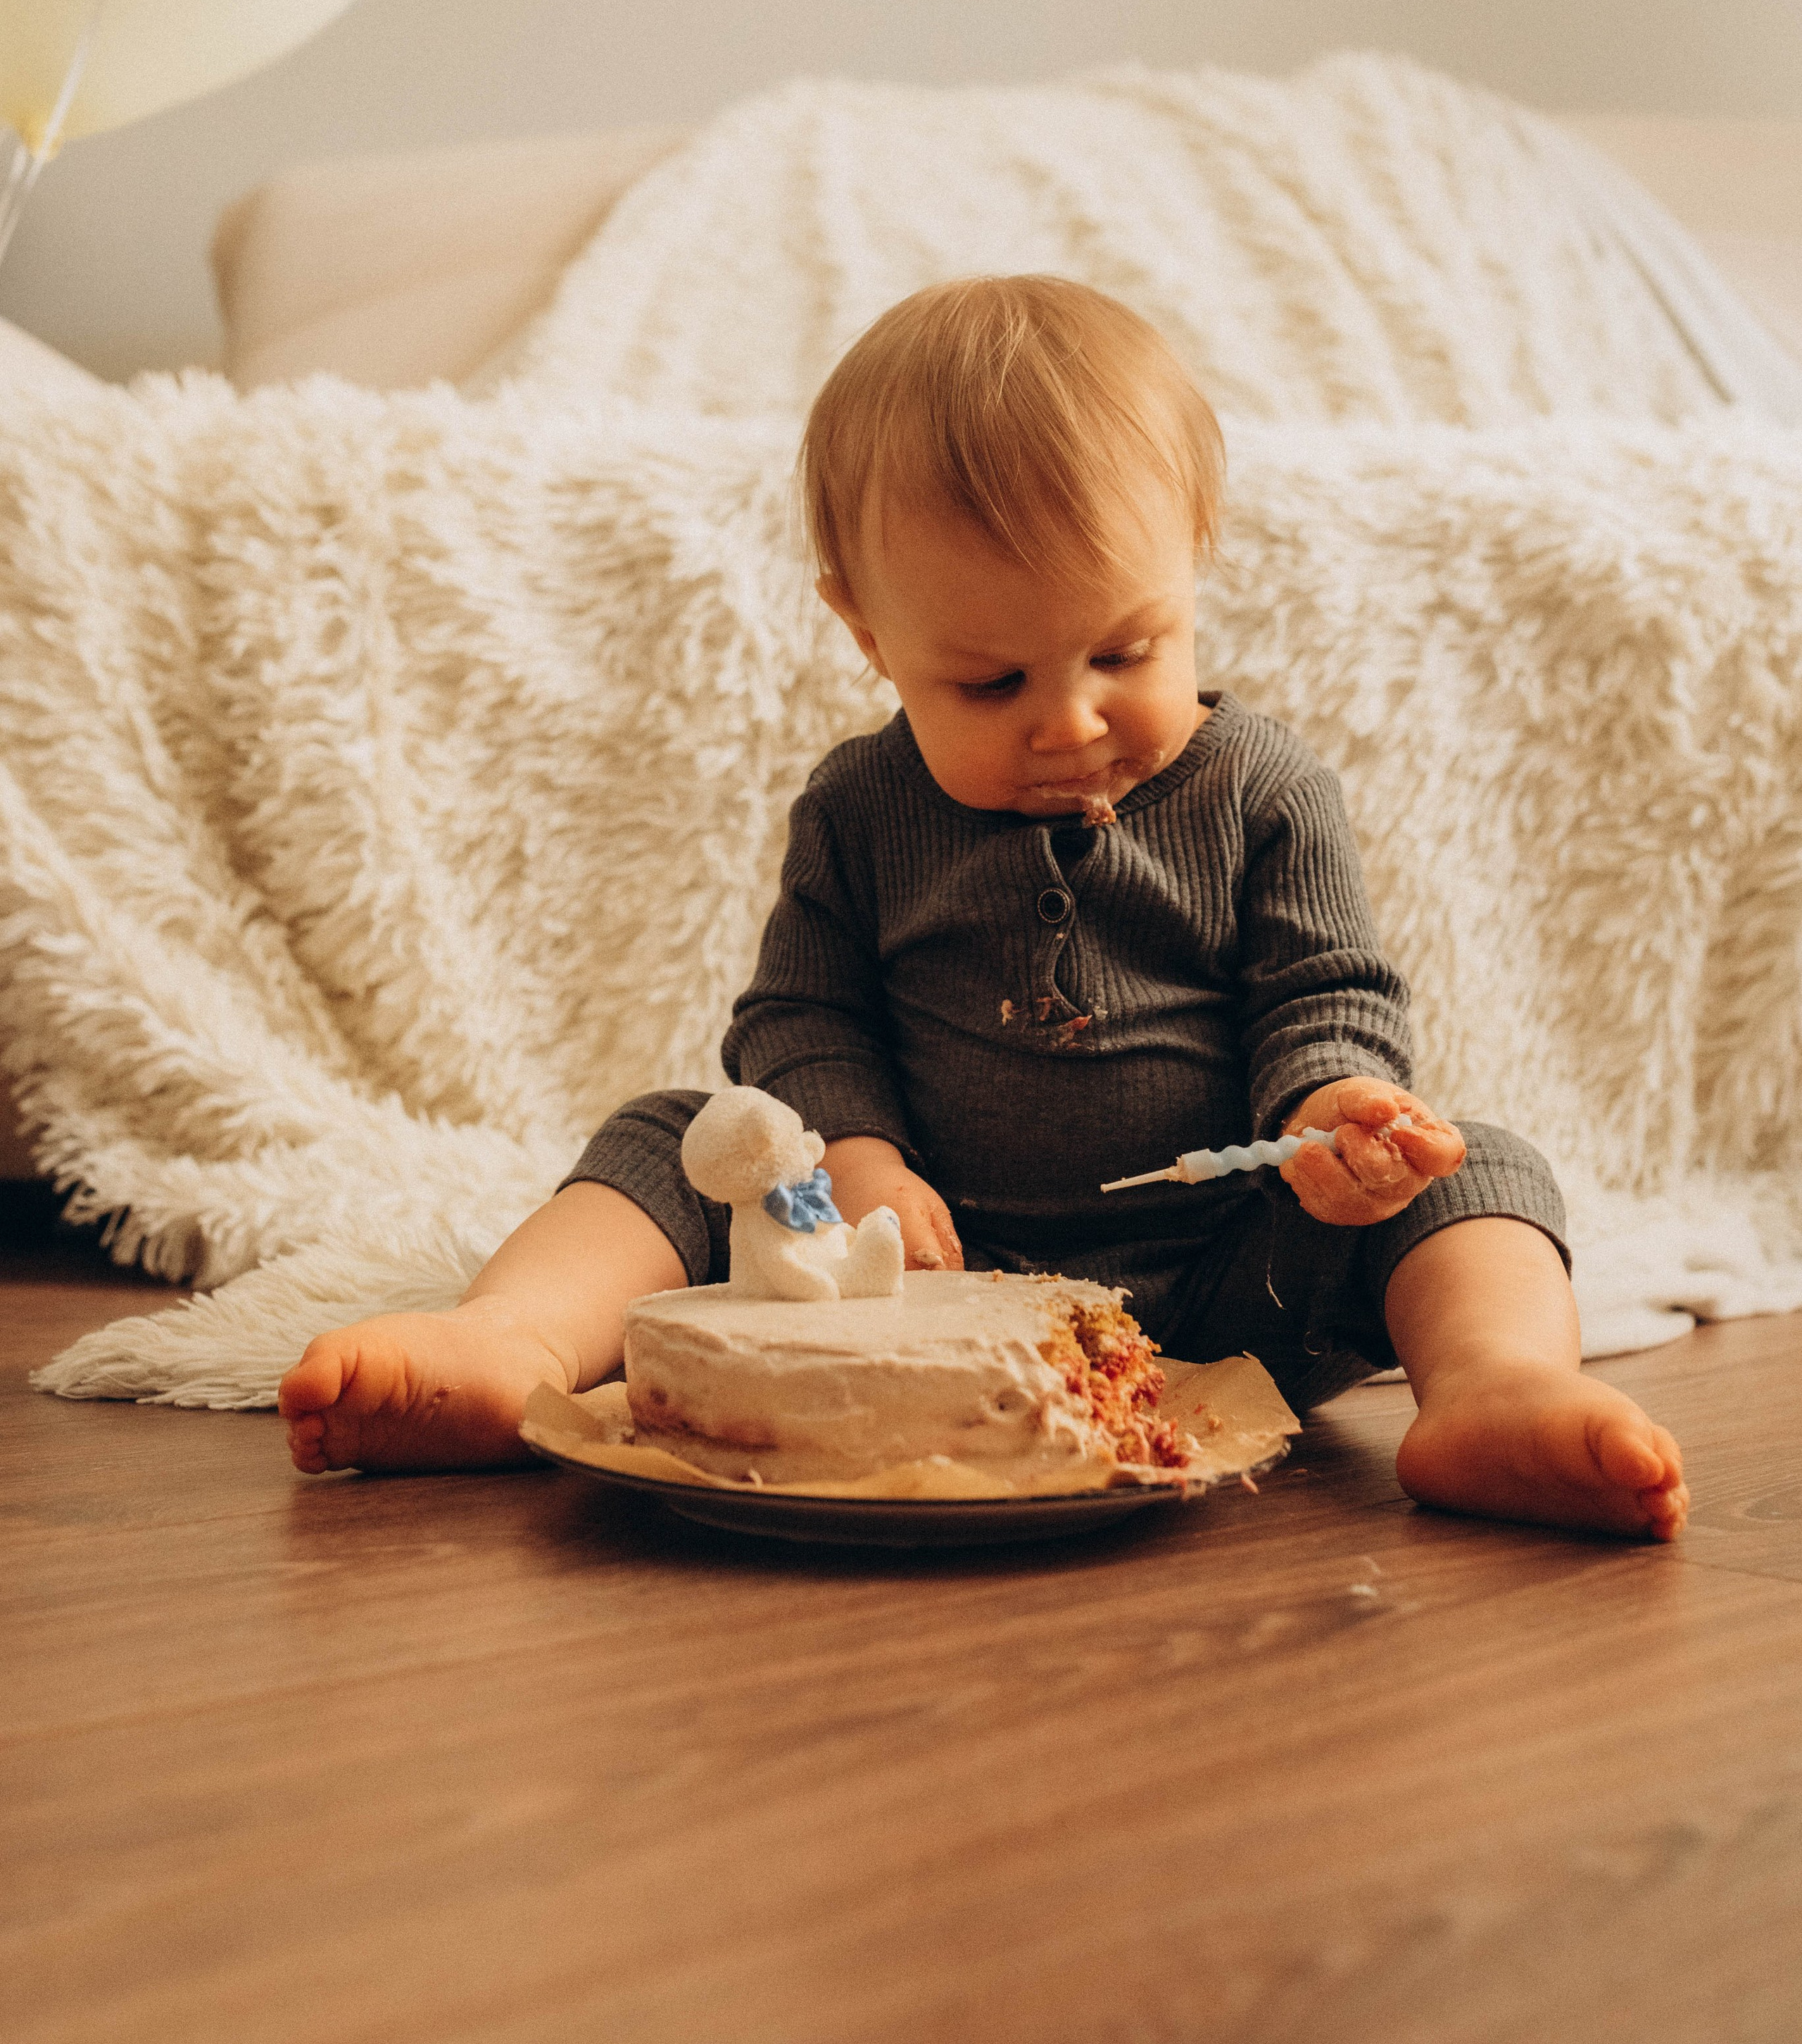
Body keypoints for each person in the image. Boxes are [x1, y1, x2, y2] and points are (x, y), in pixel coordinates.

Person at [279, 276, 1688, 1540]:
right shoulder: (861, 808)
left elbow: (1322, 993)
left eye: (1123, 652)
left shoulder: (1263, 789)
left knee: (1481, 1171)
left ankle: (1494, 1388)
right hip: (899, 1282)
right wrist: (858, 1163)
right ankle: (511, 1343)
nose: (1069, 722)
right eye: (991, 683)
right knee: (676, 1138)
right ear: (869, 636)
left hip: (1230, 1289)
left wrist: (1333, 1118)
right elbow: (800, 1017)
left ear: (1195, 557)